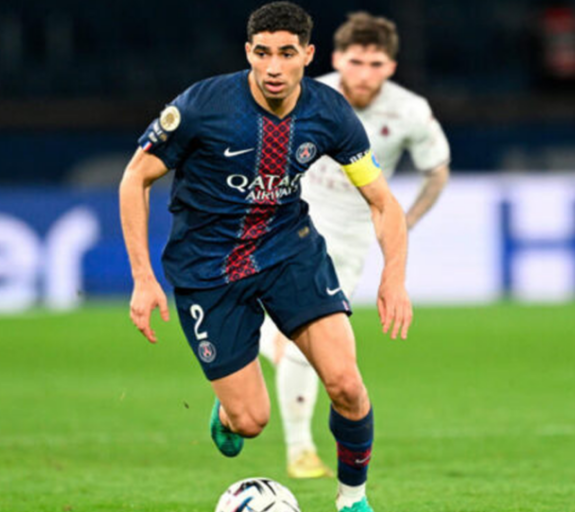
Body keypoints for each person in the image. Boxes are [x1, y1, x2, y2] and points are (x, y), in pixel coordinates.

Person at [119, 3, 412, 510]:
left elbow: (383, 202)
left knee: (346, 384)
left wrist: (394, 278)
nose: (273, 67)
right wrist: (143, 278)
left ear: (309, 55)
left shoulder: (329, 112)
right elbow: (135, 178)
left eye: (286, 54)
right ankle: (228, 412)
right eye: (262, 53)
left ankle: (353, 500)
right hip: (208, 269)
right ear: (248, 52)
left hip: (288, 253)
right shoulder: (202, 106)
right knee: (251, 422)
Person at [258, 12, 452, 479]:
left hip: (349, 240)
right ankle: (299, 449)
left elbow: (437, 171)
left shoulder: (410, 111)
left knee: (301, 345)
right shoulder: (303, 93)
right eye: (356, 61)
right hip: (287, 225)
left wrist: (405, 222)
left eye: (376, 64)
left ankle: (255, 370)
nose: (364, 74)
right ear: (337, 58)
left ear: (391, 67)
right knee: (300, 345)